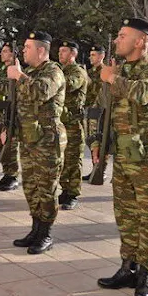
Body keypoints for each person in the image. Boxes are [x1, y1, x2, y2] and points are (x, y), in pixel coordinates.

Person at [96, 18, 148, 296]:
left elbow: (141, 94)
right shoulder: (120, 70)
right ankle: (128, 268)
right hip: (124, 157)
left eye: (122, 35)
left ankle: (147, 273)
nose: (117, 40)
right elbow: (103, 109)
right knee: (125, 217)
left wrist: (112, 78)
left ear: (141, 41)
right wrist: (97, 143)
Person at [7, 31, 66, 255]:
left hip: (47, 141)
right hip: (29, 139)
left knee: (46, 188)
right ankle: (35, 229)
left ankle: (46, 233)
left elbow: (40, 92)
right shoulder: (30, 71)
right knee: (31, 187)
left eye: (27, 47)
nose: (23, 51)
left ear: (41, 50)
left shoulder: (53, 71)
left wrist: (19, 76)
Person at [58, 41, 88, 210]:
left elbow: (67, 85)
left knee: (73, 160)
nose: (60, 54)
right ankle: (65, 190)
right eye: (60, 51)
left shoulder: (78, 72)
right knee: (62, 160)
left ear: (73, 54)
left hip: (73, 124)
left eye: (64, 51)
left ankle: (73, 193)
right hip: (61, 123)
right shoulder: (60, 70)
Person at [0, 42, 20, 191]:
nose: (2, 53)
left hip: (11, 112)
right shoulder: (3, 70)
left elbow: (6, 88)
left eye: (6, 51)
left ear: (13, 54)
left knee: (10, 144)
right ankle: (6, 173)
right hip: (0, 112)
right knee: (1, 143)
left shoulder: (14, 70)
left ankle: (13, 176)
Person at [83, 45, 106, 181]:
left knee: (100, 140)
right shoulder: (90, 72)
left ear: (101, 56)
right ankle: (94, 168)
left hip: (100, 110)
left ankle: (100, 170)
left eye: (94, 55)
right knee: (91, 140)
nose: (91, 57)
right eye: (90, 55)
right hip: (89, 110)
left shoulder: (105, 72)